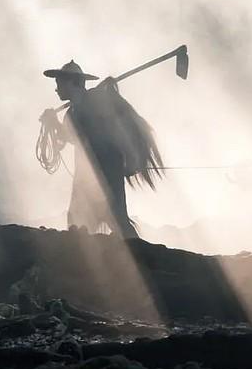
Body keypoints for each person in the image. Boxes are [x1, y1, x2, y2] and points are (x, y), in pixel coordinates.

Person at [40, 60, 163, 239]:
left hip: (107, 172)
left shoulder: (93, 103)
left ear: (71, 82)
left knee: (115, 219)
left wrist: (55, 124)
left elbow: (85, 135)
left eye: (59, 83)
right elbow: (69, 137)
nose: (57, 88)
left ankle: (139, 256)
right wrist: (52, 123)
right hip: (86, 177)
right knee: (80, 219)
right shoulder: (73, 111)